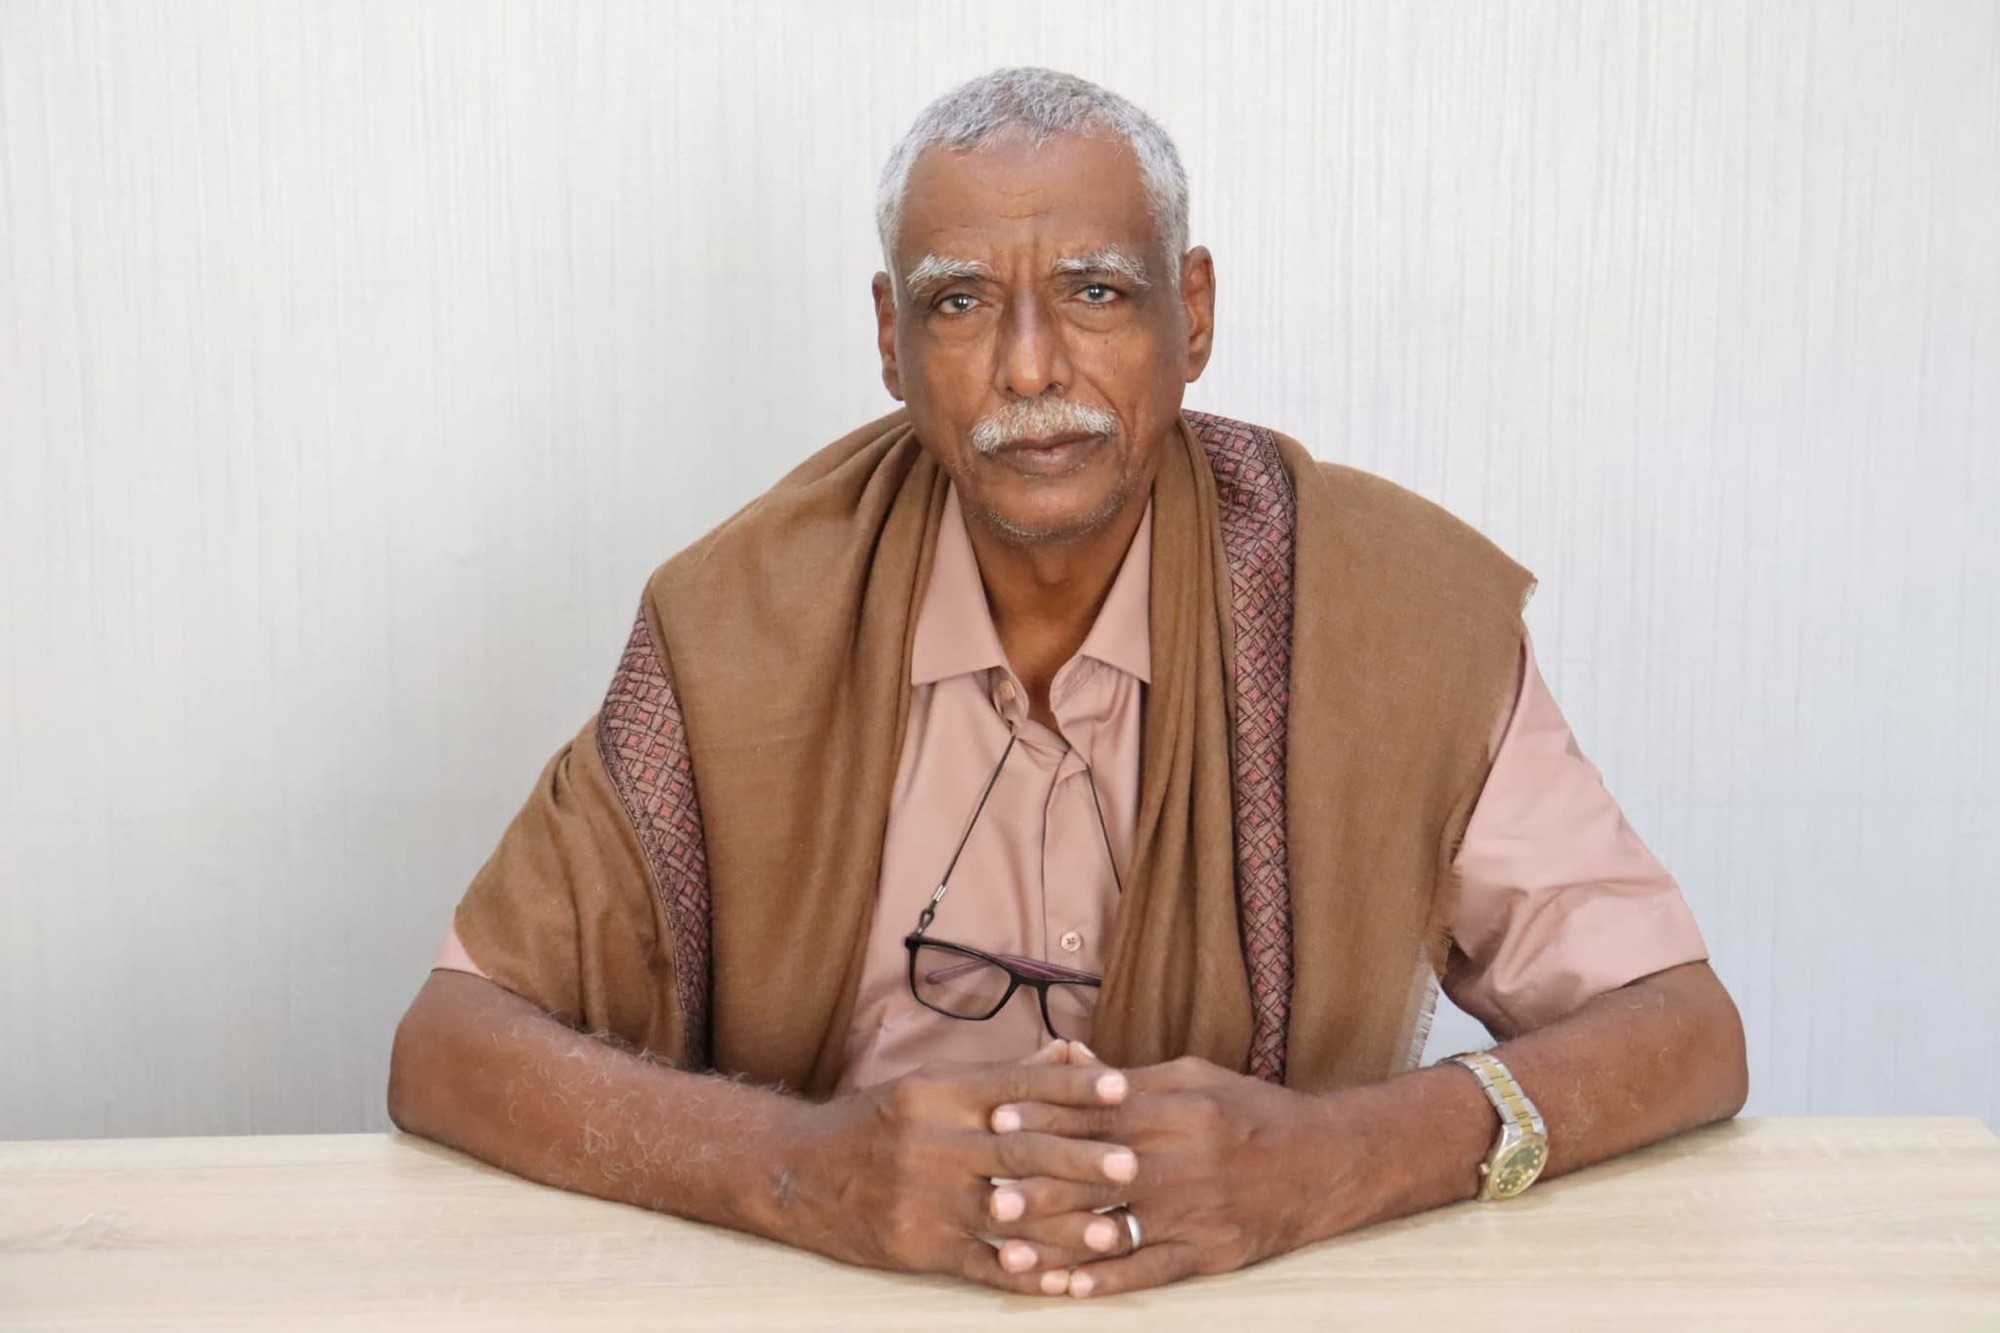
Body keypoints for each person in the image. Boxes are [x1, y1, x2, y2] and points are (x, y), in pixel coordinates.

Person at [387, 67, 1746, 1299]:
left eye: (1095, 292)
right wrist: (803, 1171)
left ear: (1190, 313)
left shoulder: (1386, 609)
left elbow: (1684, 1031)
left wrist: (1340, 1157)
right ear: (890, 339)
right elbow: (449, 1045)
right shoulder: (738, 621)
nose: (1031, 367)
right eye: (961, 302)